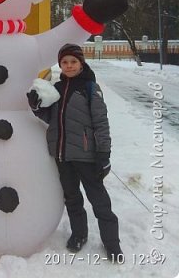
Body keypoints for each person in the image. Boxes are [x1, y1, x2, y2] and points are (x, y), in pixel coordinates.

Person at [27, 43, 123, 262]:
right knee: (72, 199)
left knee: (99, 201)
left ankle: (112, 243)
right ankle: (79, 235)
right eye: (64, 62)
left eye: (73, 62)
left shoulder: (90, 88)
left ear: (81, 63)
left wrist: (104, 155)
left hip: (87, 156)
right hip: (63, 155)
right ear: (60, 64)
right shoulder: (57, 89)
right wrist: (36, 108)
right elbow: (51, 119)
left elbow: (101, 122)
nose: (69, 66)